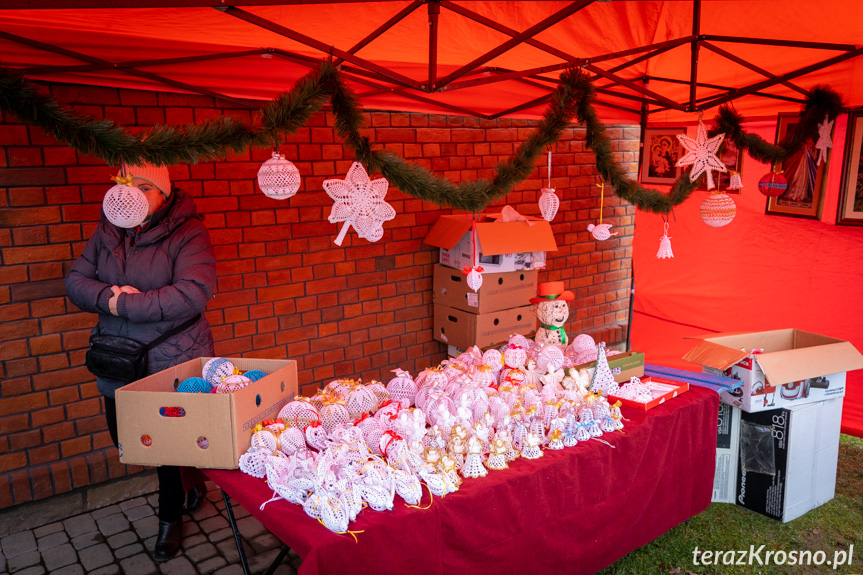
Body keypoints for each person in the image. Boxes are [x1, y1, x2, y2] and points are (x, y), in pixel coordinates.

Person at [65, 162, 216, 562]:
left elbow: (192, 293)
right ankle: (190, 481)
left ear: (164, 194)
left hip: (172, 354)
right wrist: (109, 296)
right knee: (124, 437)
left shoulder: (189, 232)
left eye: (145, 187)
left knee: (164, 441)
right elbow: (76, 282)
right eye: (126, 184)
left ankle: (171, 518)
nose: (133, 194)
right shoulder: (107, 231)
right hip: (119, 355)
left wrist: (124, 303)